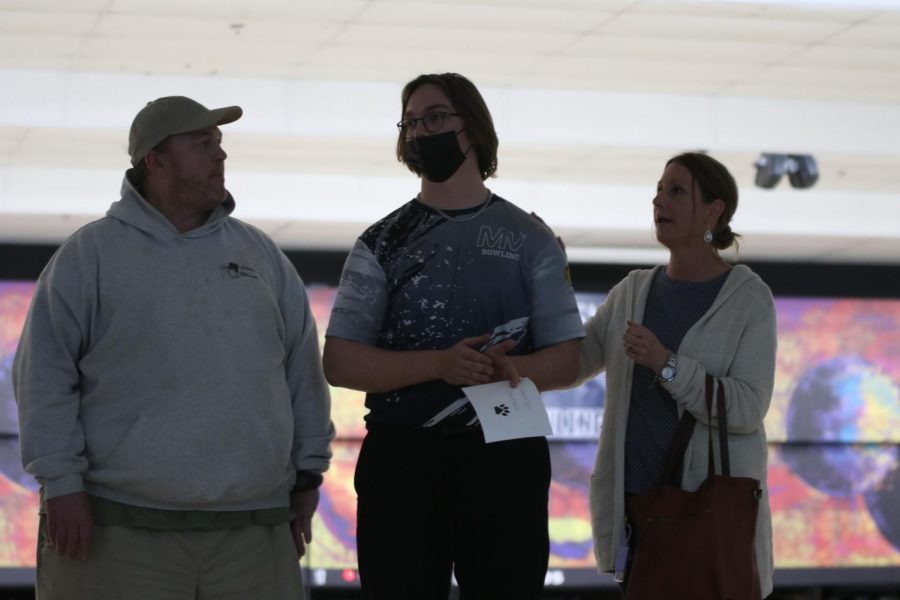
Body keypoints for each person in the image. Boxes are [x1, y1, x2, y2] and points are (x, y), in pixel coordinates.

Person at [13, 95, 335, 600]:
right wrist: (61, 483)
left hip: (252, 531)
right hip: (116, 528)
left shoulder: (260, 255)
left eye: (220, 144)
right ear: (155, 161)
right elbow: (44, 377)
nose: (220, 155)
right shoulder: (89, 255)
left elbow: (301, 369)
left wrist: (308, 474)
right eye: (202, 144)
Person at [322, 73, 584, 600]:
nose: (421, 132)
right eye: (411, 122)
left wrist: (513, 369)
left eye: (436, 117)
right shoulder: (380, 242)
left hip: (507, 452)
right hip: (404, 458)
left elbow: (570, 359)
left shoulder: (532, 240)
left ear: (473, 127)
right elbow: (340, 362)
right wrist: (440, 364)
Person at [576, 152, 776, 598]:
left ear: (714, 210)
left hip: (705, 523)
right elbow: (575, 360)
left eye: (676, 191)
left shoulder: (748, 298)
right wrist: (551, 279)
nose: (658, 200)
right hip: (637, 521)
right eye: (659, 190)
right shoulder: (631, 292)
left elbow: (745, 408)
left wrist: (666, 364)